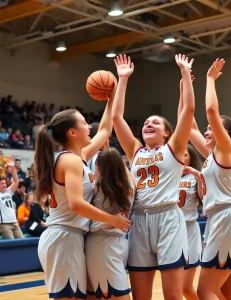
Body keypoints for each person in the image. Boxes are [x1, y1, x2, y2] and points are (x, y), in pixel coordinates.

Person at [35, 85, 131, 299]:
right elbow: (76, 204)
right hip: (63, 237)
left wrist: (111, 96)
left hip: (71, 236)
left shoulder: (78, 157)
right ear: (72, 132)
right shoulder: (70, 160)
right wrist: (111, 220)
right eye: (84, 123)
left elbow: (105, 129)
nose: (90, 127)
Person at [112, 53, 195, 300]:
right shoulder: (135, 151)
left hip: (168, 217)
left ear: (167, 132)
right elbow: (117, 118)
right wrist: (123, 79)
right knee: (141, 296)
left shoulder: (175, 148)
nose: (149, 124)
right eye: (146, 122)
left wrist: (184, 74)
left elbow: (188, 109)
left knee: (172, 294)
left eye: (156, 123)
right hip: (139, 220)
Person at [184, 59, 231, 299]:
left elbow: (212, 111)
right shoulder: (213, 155)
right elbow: (188, 124)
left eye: (210, 128)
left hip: (227, 218)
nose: (205, 131)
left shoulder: (227, 150)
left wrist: (210, 79)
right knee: (228, 289)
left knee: (206, 290)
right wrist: (185, 88)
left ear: (226, 135)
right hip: (229, 218)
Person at [85, 148, 135, 300]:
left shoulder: (96, 185)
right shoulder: (130, 183)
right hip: (117, 242)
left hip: (101, 243)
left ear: (98, 166)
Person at [178, 144, 203, 300]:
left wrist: (198, 176)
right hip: (170, 230)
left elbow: (204, 197)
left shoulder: (195, 177)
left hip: (188, 230)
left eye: (185, 155)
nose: (181, 158)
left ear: (192, 158)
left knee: (185, 287)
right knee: (175, 288)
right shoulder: (167, 176)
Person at [0, 158, 23, 239]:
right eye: (1, 183)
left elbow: (16, 182)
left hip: (14, 222)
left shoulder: (8, 191)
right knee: (11, 244)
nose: (4, 185)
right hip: (4, 224)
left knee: (22, 243)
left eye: (4, 183)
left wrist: (13, 168)